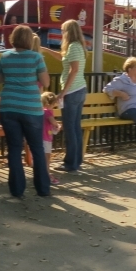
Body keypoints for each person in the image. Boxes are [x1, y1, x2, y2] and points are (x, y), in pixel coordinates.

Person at [0, 25, 52, 198]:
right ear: (29, 39)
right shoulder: (36, 57)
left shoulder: (4, 57)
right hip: (31, 108)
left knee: (14, 148)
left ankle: (17, 189)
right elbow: (46, 82)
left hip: (8, 106)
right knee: (36, 147)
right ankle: (42, 188)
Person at [54, 19, 87, 174]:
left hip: (72, 91)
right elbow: (63, 58)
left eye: (63, 30)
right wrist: (46, 50)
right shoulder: (79, 46)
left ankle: (70, 163)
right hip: (80, 89)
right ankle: (77, 160)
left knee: (70, 128)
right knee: (75, 127)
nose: (61, 33)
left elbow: (73, 70)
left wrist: (63, 92)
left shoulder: (73, 47)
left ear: (68, 31)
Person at [40, 92, 61, 186]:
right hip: (46, 137)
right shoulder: (48, 112)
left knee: (44, 156)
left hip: (42, 136)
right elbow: (53, 122)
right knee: (47, 157)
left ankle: (45, 173)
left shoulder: (41, 111)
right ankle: (46, 174)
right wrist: (58, 125)